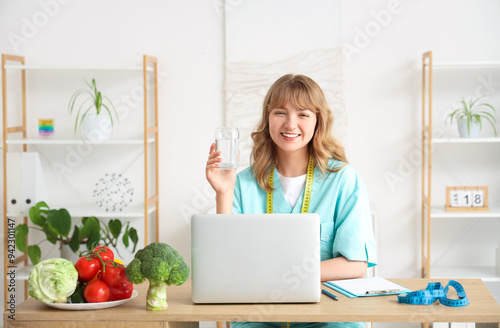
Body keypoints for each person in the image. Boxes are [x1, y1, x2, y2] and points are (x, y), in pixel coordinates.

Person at [206, 74, 377, 328]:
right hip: (261, 317)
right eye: (280, 112)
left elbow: (356, 265)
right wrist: (222, 193)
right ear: (268, 119)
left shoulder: (343, 179)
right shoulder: (241, 183)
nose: (290, 124)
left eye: (303, 114)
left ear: (318, 121)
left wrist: (285, 276)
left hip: (329, 316)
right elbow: (228, 262)